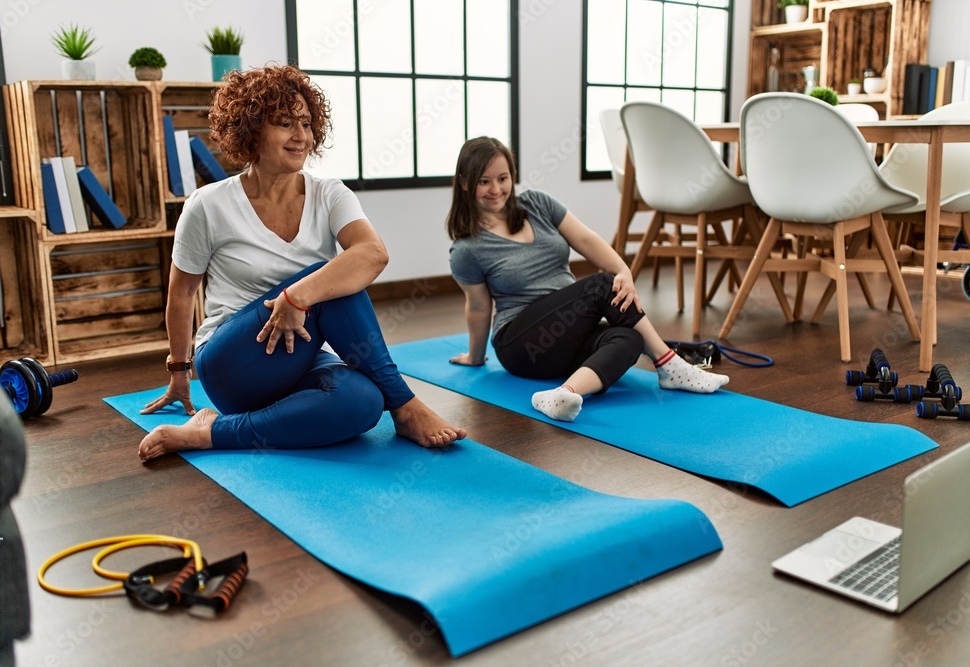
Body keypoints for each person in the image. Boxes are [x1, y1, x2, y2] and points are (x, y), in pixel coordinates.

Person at [137, 65, 466, 460]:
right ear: (251, 129)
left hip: (298, 355)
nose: (301, 136)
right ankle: (406, 406)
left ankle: (211, 433)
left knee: (363, 402)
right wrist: (178, 374)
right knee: (334, 284)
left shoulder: (329, 194)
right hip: (232, 362)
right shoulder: (208, 205)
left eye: (307, 124)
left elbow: (373, 254)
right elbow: (182, 291)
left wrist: (296, 298)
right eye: (284, 123)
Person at [446, 137, 728, 423]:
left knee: (630, 338)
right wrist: (475, 356)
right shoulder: (467, 248)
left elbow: (585, 239)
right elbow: (479, 307)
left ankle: (563, 394)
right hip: (522, 346)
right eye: (484, 182)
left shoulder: (538, 204)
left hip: (566, 334)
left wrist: (624, 272)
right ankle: (670, 364)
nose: (496, 189)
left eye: (503, 178)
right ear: (466, 183)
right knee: (602, 284)